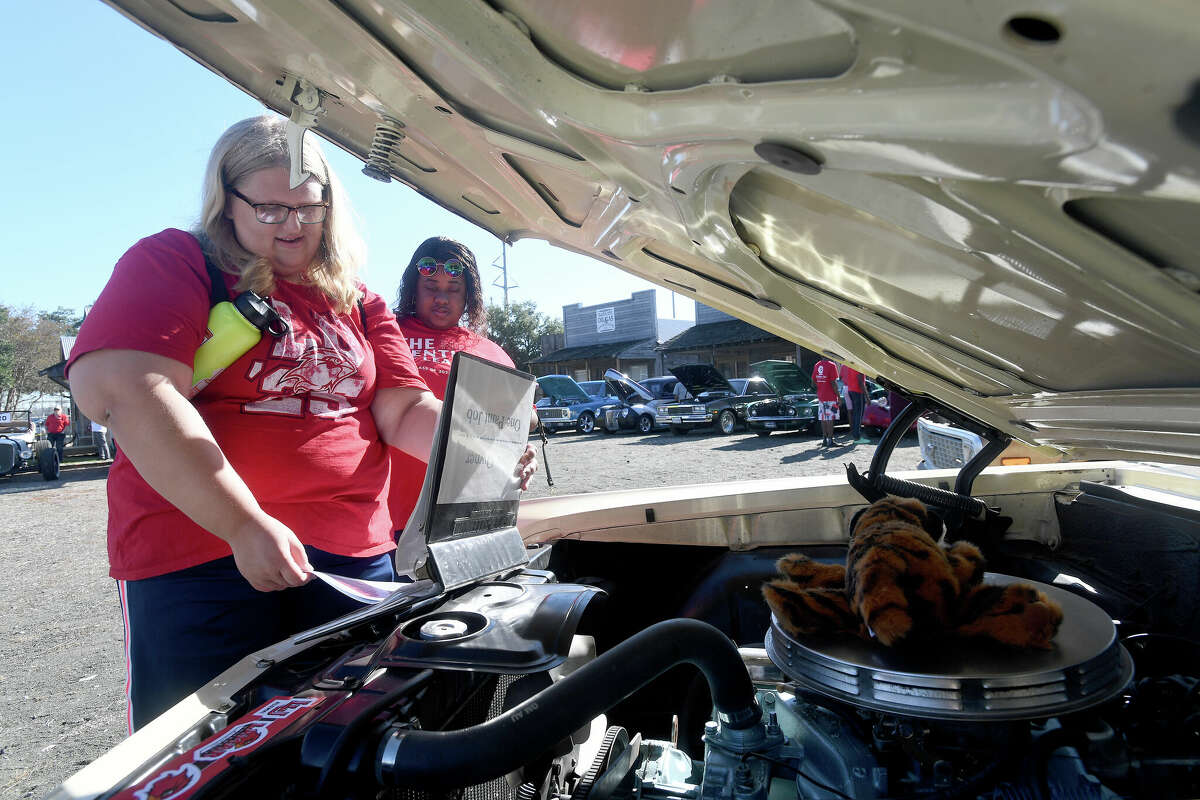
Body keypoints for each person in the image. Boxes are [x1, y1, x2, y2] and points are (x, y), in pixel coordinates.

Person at [67, 116, 534, 732]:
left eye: (309, 209)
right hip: (205, 554)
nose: (292, 226)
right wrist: (242, 521)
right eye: (267, 209)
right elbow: (128, 391)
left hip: (353, 560)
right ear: (225, 201)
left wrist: (480, 451)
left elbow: (399, 409)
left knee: (347, 739)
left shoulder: (356, 299)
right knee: (204, 749)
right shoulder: (176, 261)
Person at [388, 237, 529, 536]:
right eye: (431, 288)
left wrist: (523, 457)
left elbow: (517, 424)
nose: (442, 298)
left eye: (453, 290)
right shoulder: (383, 334)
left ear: (469, 296)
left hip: (463, 519)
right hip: (385, 519)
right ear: (414, 288)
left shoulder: (491, 352)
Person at [811, 357, 840, 448]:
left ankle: (824, 439)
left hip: (821, 397)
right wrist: (839, 396)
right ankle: (830, 440)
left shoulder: (817, 365)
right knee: (830, 418)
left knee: (823, 418)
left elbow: (813, 382)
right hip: (831, 397)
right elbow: (833, 383)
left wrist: (821, 387)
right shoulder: (832, 365)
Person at [840, 364, 869, 444]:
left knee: (855, 413)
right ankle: (857, 437)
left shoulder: (850, 365)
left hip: (850, 389)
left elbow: (843, 377)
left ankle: (854, 433)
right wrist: (867, 397)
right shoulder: (859, 365)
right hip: (857, 391)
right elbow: (860, 381)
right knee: (859, 415)